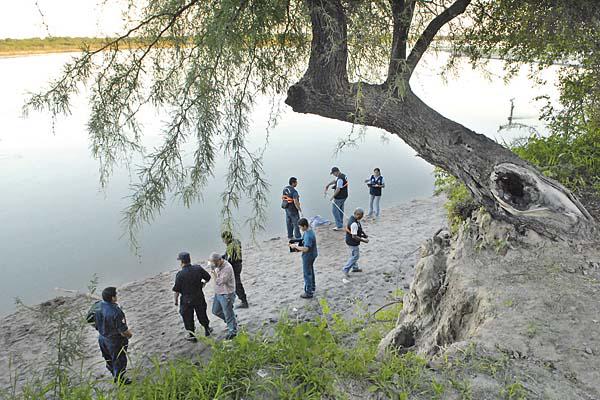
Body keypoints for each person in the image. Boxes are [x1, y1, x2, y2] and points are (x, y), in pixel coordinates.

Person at [91, 287, 133, 384]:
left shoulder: (97, 305)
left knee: (108, 358)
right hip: (115, 340)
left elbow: (89, 319)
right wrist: (129, 335)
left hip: (102, 337)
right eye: (116, 294)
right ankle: (120, 379)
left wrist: (98, 327)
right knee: (119, 359)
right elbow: (123, 331)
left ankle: (113, 373)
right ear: (113, 298)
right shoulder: (116, 312)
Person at [172, 251, 213, 342]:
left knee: (187, 317)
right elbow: (208, 277)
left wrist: (175, 301)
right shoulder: (197, 268)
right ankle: (207, 329)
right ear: (189, 260)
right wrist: (203, 284)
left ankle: (192, 335)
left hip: (186, 300)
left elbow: (177, 290)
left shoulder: (180, 274)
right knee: (202, 314)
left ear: (182, 262)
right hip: (198, 296)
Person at [208, 252, 238, 340]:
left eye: (215, 262)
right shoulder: (218, 266)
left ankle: (232, 331)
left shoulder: (227, 268)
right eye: (212, 262)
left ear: (220, 260)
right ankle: (232, 321)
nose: (214, 264)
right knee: (215, 311)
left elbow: (220, 282)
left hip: (226, 294)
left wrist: (213, 272)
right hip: (218, 293)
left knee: (228, 314)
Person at [289, 218, 318, 299]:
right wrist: (294, 241)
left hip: (308, 256)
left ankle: (308, 292)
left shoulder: (308, 235)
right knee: (310, 271)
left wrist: (296, 246)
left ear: (305, 226)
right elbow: (303, 240)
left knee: (307, 274)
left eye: (300, 227)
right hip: (313, 254)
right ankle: (312, 287)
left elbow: (306, 248)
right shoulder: (309, 231)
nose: (300, 229)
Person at [221, 231, 249, 309]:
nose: (223, 241)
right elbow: (227, 255)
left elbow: (229, 258)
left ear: (226, 238)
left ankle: (244, 301)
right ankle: (243, 300)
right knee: (236, 283)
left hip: (235, 266)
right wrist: (220, 257)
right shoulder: (236, 242)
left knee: (237, 284)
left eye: (223, 240)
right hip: (238, 265)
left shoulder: (231, 245)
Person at [342, 208, 369, 278]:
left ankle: (355, 268)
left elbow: (359, 229)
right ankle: (345, 269)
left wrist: (364, 234)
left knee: (353, 254)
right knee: (355, 256)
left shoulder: (353, 218)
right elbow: (354, 236)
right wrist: (364, 241)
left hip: (349, 240)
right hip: (352, 242)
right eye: (360, 215)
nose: (361, 217)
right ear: (356, 214)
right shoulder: (354, 224)